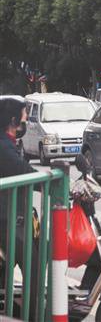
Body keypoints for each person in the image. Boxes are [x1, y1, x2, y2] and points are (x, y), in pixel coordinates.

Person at [0, 97, 38, 319]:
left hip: (14, 215)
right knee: (32, 264)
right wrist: (54, 182)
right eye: (24, 117)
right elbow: (22, 170)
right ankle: (33, 316)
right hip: (6, 218)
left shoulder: (8, 142)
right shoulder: (3, 146)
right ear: (14, 120)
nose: (27, 122)